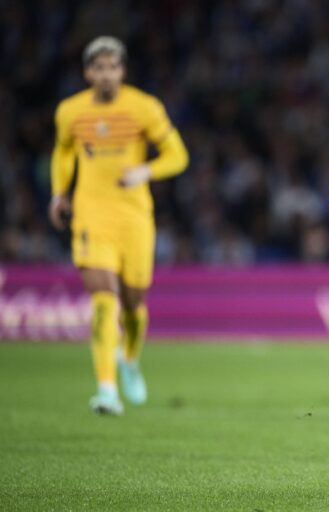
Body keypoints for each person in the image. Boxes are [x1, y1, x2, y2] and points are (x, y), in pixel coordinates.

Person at [49, 36, 189, 415]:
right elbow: (63, 152)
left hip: (134, 216)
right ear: (87, 72)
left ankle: (129, 360)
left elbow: (178, 155)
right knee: (103, 297)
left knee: (133, 302)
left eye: (112, 67)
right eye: (99, 68)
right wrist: (59, 193)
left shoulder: (144, 107)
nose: (106, 75)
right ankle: (106, 390)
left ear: (122, 71)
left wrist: (146, 169)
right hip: (91, 214)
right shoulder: (71, 112)